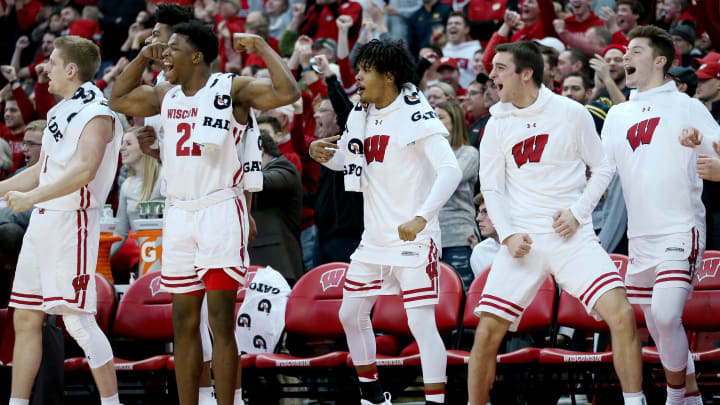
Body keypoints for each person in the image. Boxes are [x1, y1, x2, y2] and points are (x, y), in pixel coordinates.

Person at [109, 21, 300, 405]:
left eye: (173, 48)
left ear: (197, 56)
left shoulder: (233, 89)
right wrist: (141, 56)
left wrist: (261, 46)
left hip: (218, 209)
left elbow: (287, 91)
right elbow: (119, 98)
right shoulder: (166, 93)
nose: (165, 55)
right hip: (178, 212)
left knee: (220, 322)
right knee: (182, 323)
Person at [469, 41, 645, 405]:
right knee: (486, 332)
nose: (492, 74)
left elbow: (603, 167)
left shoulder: (570, 112)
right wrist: (507, 234)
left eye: (501, 67)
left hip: (572, 235)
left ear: (526, 73)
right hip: (523, 241)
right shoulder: (495, 124)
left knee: (623, 314)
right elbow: (491, 187)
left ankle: (635, 402)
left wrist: (578, 212)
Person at [309, 38, 462, 405]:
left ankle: (435, 401)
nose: (357, 77)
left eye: (365, 70)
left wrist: (422, 217)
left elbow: (450, 170)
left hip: (413, 237)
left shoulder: (416, 112)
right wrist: (321, 155)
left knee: (421, 322)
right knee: (350, 313)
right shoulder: (362, 114)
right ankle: (373, 396)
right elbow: (349, 161)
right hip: (375, 237)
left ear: (389, 76)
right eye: (357, 69)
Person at [1, 35, 123, 405]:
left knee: (78, 323)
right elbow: (42, 169)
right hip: (44, 220)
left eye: (51, 63)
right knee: (24, 318)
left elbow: (85, 169)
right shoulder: (59, 111)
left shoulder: (98, 113)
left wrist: (30, 198)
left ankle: (112, 403)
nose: (44, 68)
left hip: (74, 220)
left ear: (71, 69)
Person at [604, 26, 720, 405]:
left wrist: (709, 155)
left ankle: (674, 396)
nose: (626, 57)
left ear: (660, 60)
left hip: (680, 228)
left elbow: (718, 152)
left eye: (635, 51)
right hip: (640, 237)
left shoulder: (688, 106)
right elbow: (600, 173)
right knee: (654, 321)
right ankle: (690, 395)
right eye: (625, 51)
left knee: (666, 315)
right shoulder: (618, 114)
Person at [248, 131, 303, 285]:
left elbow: (263, 181)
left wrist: (236, 169)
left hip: (279, 266)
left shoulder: (285, 168)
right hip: (256, 265)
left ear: (260, 150)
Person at [435, 101, 479, 291]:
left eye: (440, 117)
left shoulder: (468, 153)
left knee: (461, 298)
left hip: (459, 238)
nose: (434, 122)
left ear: (456, 122)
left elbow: (450, 177)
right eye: (432, 117)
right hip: (431, 240)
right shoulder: (427, 156)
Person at [110, 127, 162, 257]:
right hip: (146, 259)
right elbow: (120, 233)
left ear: (144, 147)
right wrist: (97, 261)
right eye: (122, 143)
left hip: (172, 259)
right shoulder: (126, 185)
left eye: (128, 144)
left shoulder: (165, 177)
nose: (122, 148)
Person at [468, 193, 500, 277]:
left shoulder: (533, 243)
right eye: (479, 212)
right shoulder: (480, 251)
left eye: (485, 212)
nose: (478, 218)